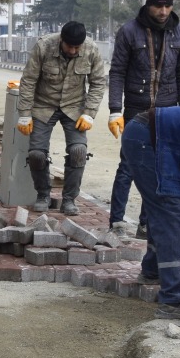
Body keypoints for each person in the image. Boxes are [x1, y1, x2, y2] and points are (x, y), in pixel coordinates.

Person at [107, 0, 180, 235]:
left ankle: (146, 222)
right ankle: (117, 222)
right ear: (148, 5)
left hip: (168, 110)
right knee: (129, 166)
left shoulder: (179, 33)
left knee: (159, 168)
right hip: (136, 109)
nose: (163, 11)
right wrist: (114, 109)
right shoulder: (129, 32)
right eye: (158, 5)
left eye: (167, 5)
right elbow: (117, 72)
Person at [119, 104, 180, 320]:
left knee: (162, 212)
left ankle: (153, 270)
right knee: (172, 216)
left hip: (146, 134)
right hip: (146, 138)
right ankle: (173, 298)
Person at [15, 21, 107, 215]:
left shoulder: (91, 50)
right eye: (69, 46)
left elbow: (98, 83)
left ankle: (69, 199)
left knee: (78, 151)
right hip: (43, 105)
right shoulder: (44, 46)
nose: (73, 50)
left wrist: (89, 113)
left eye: (77, 47)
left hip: (74, 107)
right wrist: (24, 114)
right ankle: (43, 195)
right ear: (61, 41)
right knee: (36, 154)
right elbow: (29, 80)